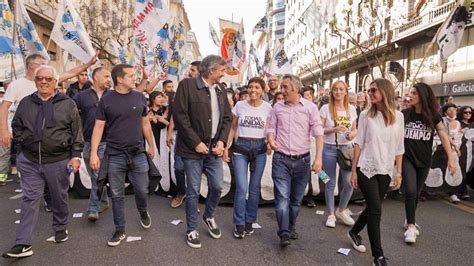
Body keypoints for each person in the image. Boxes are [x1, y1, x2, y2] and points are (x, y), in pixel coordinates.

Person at [2, 65, 83, 258]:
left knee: (59, 197)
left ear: (56, 82)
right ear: (35, 81)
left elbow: (76, 132)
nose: (44, 82)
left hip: (58, 160)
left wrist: (76, 155)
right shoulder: (25, 103)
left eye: (48, 78)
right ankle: (22, 243)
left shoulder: (68, 103)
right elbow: (17, 125)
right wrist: (22, 150)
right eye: (40, 78)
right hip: (29, 161)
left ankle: (61, 226)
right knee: (30, 199)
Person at [0, 53, 97, 207]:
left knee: (50, 176)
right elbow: (4, 107)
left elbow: (71, 73)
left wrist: (87, 65)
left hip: (50, 140)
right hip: (28, 139)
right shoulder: (17, 85)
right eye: (41, 63)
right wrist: (4, 130)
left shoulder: (48, 81)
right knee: (32, 179)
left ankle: (50, 202)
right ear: (32, 65)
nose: (44, 80)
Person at [89, 64, 155, 247]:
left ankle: (142, 211)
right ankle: (120, 229)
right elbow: (99, 127)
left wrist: (151, 145)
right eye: (132, 76)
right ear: (120, 78)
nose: (135, 78)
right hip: (115, 154)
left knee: (142, 189)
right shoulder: (106, 100)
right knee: (116, 194)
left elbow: (146, 124)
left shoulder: (140, 97)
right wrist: (94, 153)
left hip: (138, 153)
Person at [172, 55, 232, 249]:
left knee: (216, 187)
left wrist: (222, 141)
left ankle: (208, 216)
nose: (224, 73)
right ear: (211, 71)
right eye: (222, 70)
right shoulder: (187, 85)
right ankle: (191, 229)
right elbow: (180, 116)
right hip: (192, 150)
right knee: (193, 191)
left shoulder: (222, 89)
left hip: (214, 149)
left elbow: (227, 119)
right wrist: (195, 142)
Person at [347, 78, 404, 265]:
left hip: (386, 169)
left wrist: (398, 172)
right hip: (366, 168)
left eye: (373, 90)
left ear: (385, 92)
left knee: (373, 208)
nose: (369, 94)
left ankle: (354, 231)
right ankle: (378, 257)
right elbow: (358, 143)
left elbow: (399, 147)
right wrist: (354, 170)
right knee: (376, 211)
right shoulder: (365, 115)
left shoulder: (399, 116)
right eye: (368, 91)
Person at [266, 74, 324, 247]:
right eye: (281, 87)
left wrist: (318, 159)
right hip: (281, 159)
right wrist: (270, 138)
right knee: (282, 198)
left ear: (296, 89)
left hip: (303, 161)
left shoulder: (310, 108)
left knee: (296, 200)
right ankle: (283, 232)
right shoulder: (277, 107)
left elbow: (319, 133)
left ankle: (291, 226)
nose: (281, 90)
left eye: (285, 87)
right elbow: (271, 128)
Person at [401, 82, 456, 244]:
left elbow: (443, 136)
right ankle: (411, 226)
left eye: (414, 93)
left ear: (422, 96)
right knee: (410, 190)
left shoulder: (433, 115)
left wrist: (451, 160)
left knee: (416, 192)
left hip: (424, 160)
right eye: (410, 93)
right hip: (407, 158)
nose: (410, 95)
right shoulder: (404, 114)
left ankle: (408, 218)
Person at [223, 77, 272, 238]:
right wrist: (226, 147)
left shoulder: (268, 108)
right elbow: (232, 128)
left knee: (254, 188)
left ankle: (250, 220)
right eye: (251, 87)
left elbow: (270, 129)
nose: (253, 90)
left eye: (257, 87)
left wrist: (270, 143)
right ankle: (239, 223)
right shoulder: (239, 105)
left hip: (259, 148)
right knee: (242, 188)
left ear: (262, 90)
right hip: (241, 148)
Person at [73, 67, 111, 221]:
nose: (109, 79)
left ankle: (93, 208)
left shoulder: (113, 95)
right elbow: (70, 112)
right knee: (94, 174)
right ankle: (104, 200)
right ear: (95, 77)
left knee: (96, 175)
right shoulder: (82, 96)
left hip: (106, 142)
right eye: (106, 76)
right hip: (87, 141)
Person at [320, 80, 357, 228]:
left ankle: (341, 209)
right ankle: (330, 214)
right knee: (330, 182)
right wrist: (334, 129)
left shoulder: (351, 109)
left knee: (349, 183)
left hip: (347, 149)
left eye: (341, 89)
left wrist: (352, 134)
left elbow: (355, 129)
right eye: (335, 89)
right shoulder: (325, 108)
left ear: (346, 91)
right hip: (329, 148)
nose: (338, 92)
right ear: (331, 92)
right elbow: (319, 129)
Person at [167, 61, 201, 208]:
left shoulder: (207, 91)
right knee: (179, 168)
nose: (190, 72)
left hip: (200, 139)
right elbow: (176, 114)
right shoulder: (183, 87)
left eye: (193, 70)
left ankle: (193, 201)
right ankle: (181, 193)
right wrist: (169, 132)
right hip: (182, 138)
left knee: (195, 173)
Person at [441, 103, 463, 203]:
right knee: (438, 169)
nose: (452, 111)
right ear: (445, 112)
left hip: (454, 150)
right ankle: (426, 191)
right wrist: (454, 145)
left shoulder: (458, 123)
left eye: (454, 109)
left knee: (453, 170)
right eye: (449, 110)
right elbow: (445, 136)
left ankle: (452, 193)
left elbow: (457, 136)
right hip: (441, 148)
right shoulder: (443, 121)